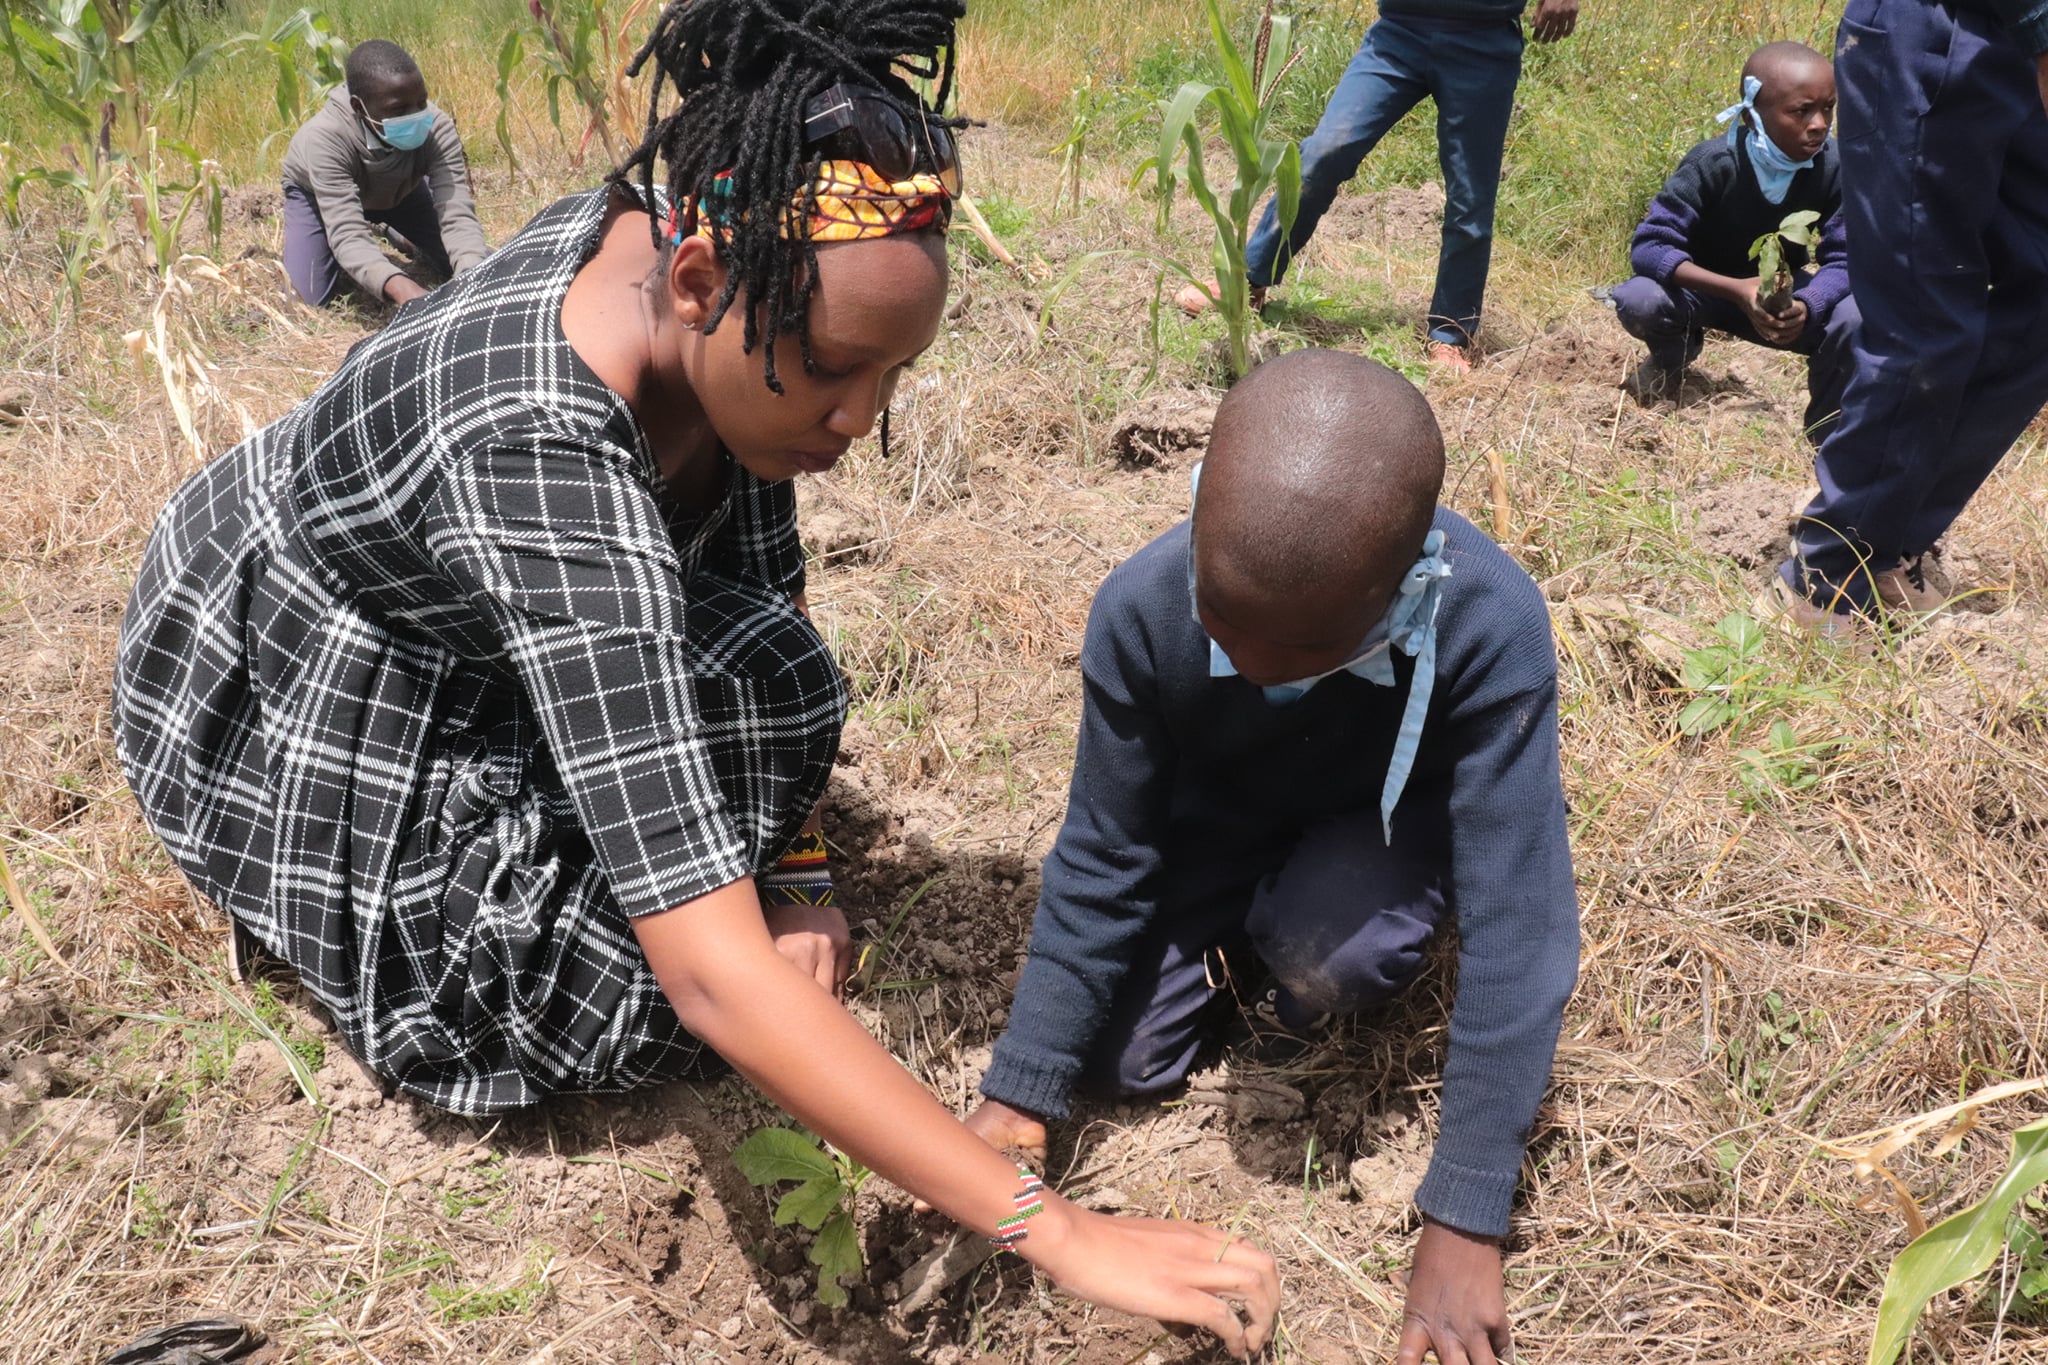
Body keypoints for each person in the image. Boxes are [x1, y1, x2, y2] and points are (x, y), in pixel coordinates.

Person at [113, 0, 1281, 1350]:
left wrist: (794, 872)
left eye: (896, 376)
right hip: (312, 667)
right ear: (695, 282)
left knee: (780, 675)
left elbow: (758, 591)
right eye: (839, 370)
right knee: (617, 1013)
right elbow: (715, 980)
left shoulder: (713, 290)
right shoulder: (539, 441)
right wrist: (1058, 1227)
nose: (861, 419)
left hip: (477, 602)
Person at [962, 349, 1581, 1365]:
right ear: (1198, 514)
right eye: (1224, 624)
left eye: (1301, 653)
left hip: (1381, 827)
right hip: (1223, 816)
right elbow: (1101, 854)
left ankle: (1294, 975)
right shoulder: (1144, 607)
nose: (1249, 664)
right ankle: (1244, 921)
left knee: (1327, 947)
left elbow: (1522, 925)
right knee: (1120, 1062)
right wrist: (1020, 1089)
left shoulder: (1486, 625)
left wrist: (1466, 1217)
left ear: (1399, 594)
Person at [1774, 0, 2048, 628]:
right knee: (1926, 321)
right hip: (1939, 32)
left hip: (2020, 50)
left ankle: (1891, 537)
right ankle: (1828, 572)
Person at [1176, 0, 1582, 372]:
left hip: (1484, 40)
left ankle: (1450, 333)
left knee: (1470, 198)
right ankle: (1251, 278)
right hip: (1400, 32)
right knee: (1322, 154)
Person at [1614, 42, 1859, 443]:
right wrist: (1735, 289)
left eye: (1828, 108)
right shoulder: (1714, 164)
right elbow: (1650, 246)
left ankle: (1825, 435)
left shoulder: (1835, 167)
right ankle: (1670, 359)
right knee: (1641, 299)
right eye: (1801, 111)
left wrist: (1807, 306)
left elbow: (1847, 257)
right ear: (1751, 115)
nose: (1819, 124)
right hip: (1702, 289)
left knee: (1856, 319)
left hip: (1777, 295)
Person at [280, 39, 490, 308]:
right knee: (307, 296)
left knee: (471, 260)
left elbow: (457, 214)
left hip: (401, 192)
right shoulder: (325, 139)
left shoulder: (436, 127)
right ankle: (331, 244)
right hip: (319, 199)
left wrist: (472, 275)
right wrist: (401, 287)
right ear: (359, 107)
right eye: (398, 110)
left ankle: (394, 230)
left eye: (421, 102)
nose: (415, 115)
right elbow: (347, 232)